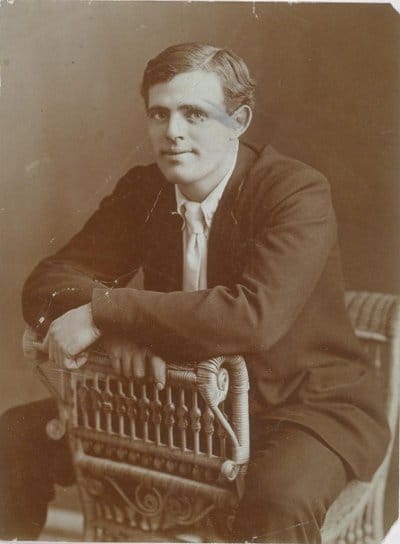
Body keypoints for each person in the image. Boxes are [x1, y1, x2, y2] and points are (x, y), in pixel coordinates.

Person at [0, 43, 389, 543]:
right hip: (176, 402)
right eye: (159, 113)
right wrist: (118, 336)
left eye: (195, 114)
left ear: (239, 120)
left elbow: (252, 317)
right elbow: (49, 280)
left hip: (299, 406)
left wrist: (104, 312)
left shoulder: (294, 191)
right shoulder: (146, 190)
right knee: (15, 436)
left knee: (277, 499)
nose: (173, 132)